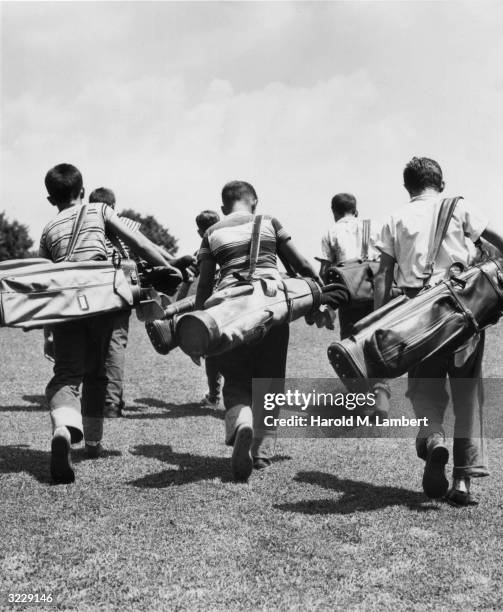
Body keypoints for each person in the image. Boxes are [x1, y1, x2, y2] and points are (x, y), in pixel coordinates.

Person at [40, 164, 181, 484]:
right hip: (104, 297)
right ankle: (92, 443)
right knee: (98, 372)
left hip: (65, 304)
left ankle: (63, 429)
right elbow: (141, 244)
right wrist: (170, 268)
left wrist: (49, 332)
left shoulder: (48, 230)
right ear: (82, 190)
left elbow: (46, 283)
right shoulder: (100, 210)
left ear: (51, 199)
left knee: (66, 374)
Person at [374, 156, 503, 506]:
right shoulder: (460, 208)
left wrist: (378, 322)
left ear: (407, 187)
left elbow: (383, 275)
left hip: (416, 315)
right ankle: (462, 481)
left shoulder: (394, 219)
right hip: (464, 312)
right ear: (441, 184)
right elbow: (499, 242)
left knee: (423, 389)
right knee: (467, 395)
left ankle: (433, 439)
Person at [195, 180, 322, 482]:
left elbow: (203, 283)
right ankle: (261, 451)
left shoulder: (212, 232)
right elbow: (301, 263)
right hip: (269, 308)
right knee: (270, 379)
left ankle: (241, 422)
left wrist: (202, 323)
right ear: (254, 201)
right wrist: (318, 293)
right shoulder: (269, 223)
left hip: (229, 311)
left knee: (236, 378)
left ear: (224, 206)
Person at [320, 193, 390, 417]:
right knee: (376, 341)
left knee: (351, 344)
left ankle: (362, 399)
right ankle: (381, 392)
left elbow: (325, 271)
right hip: (376, 291)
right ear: (356, 210)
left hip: (348, 295)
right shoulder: (375, 226)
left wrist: (329, 306)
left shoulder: (331, 232)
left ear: (334, 212)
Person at [194, 210, 222, 408]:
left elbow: (202, 283)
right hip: (235, 299)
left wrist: (196, 315)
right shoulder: (229, 239)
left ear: (198, 232)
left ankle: (213, 396)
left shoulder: (203, 251)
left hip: (212, 304)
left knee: (212, 352)